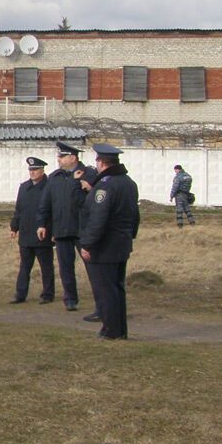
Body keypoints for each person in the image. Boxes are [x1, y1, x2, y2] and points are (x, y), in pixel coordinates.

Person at [79, 143, 140, 340]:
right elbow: (134, 215)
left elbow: (98, 218)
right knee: (117, 288)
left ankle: (110, 330)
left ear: (101, 162)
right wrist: (130, 236)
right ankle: (120, 329)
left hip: (104, 246)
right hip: (121, 243)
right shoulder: (128, 183)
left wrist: (87, 244)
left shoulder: (105, 185)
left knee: (105, 290)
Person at [36, 141, 98, 314]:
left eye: (62, 157)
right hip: (62, 229)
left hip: (82, 230)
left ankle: (100, 299)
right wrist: (42, 223)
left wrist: (89, 188)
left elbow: (96, 201)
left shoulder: (89, 174)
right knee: (65, 267)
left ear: (72, 157)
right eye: (59, 156)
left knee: (92, 266)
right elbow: (45, 203)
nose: (59, 159)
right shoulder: (55, 177)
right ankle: (70, 299)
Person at [9, 156, 54, 304]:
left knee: (46, 267)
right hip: (26, 234)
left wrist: (52, 232)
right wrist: (14, 227)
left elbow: (53, 212)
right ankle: (20, 294)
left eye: (35, 169)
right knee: (24, 267)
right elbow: (19, 210)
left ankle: (47, 294)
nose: (32, 172)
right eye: (31, 170)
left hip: (42, 235)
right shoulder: (24, 187)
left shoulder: (50, 186)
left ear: (42, 170)